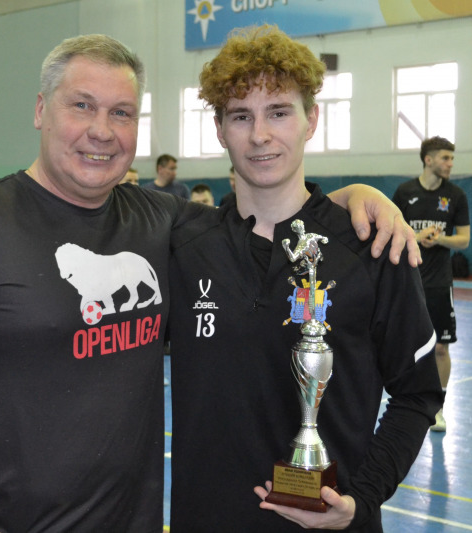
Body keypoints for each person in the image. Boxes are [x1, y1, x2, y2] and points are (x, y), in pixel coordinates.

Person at [0, 32, 418, 533]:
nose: (101, 130)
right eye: (81, 105)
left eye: (122, 113)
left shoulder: (162, 222)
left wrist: (355, 201)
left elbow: (278, 219)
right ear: (40, 110)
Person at [167, 24, 443, 532]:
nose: (260, 135)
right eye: (240, 116)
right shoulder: (181, 246)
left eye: (279, 112)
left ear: (311, 119)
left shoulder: (372, 245)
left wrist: (361, 500)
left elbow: (417, 394)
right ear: (220, 129)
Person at [393, 136, 470, 432]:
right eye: (445, 158)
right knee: (404, 348)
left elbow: (463, 239)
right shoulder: (405, 192)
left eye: (452, 158)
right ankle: (405, 405)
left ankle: (437, 410)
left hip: (439, 284)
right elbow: (393, 230)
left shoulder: (456, 195)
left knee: (440, 348)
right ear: (428, 160)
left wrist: (440, 239)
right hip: (408, 282)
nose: (450, 163)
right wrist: (416, 236)